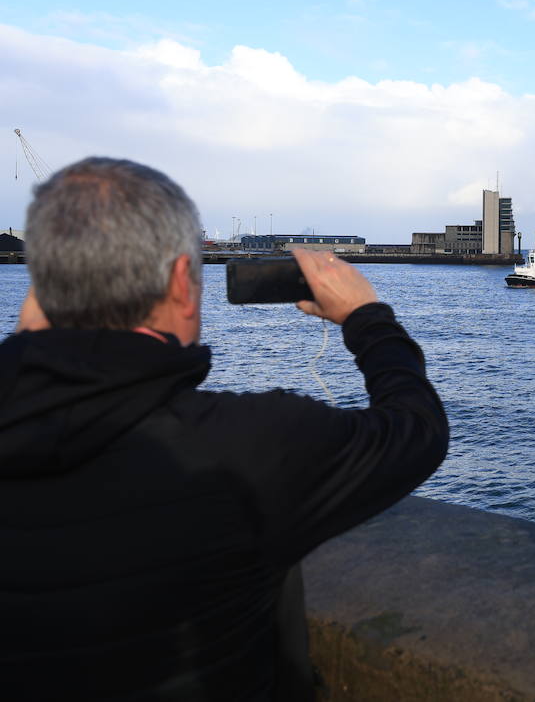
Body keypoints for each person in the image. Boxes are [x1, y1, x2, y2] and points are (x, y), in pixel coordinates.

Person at [0, 157, 449, 700]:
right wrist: (367, 315)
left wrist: (34, 341)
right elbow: (416, 428)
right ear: (182, 283)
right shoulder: (247, 446)